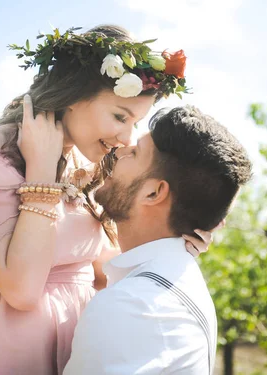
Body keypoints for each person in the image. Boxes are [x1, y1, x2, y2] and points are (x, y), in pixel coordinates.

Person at [0, 25, 214, 375]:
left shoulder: (88, 164)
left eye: (133, 123)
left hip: (86, 336)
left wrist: (175, 241)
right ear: (74, 95)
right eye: (120, 117)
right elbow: (21, 289)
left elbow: (103, 268)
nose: (125, 138)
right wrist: (42, 176)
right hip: (20, 347)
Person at [64, 105, 253, 374]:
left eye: (135, 152)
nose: (119, 150)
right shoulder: (175, 280)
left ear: (153, 193)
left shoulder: (131, 306)